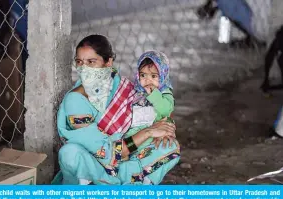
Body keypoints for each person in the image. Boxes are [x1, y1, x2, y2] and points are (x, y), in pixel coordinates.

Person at [52, 35, 180, 185]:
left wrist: (166, 127)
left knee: (168, 146)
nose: (84, 68)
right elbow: (104, 152)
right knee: (70, 153)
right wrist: (149, 132)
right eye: (79, 62)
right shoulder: (75, 101)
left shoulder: (117, 84)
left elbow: (151, 108)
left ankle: (135, 184)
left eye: (91, 62)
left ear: (108, 63)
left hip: (127, 160)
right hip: (97, 166)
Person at [125, 51, 175, 155]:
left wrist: (154, 94)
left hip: (152, 135)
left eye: (153, 76)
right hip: (134, 134)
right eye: (143, 75)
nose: (148, 80)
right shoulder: (136, 91)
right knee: (124, 146)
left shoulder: (165, 92)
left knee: (167, 149)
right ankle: (125, 158)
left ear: (163, 76)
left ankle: (140, 165)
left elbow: (166, 110)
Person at [197, 0, 270, 48]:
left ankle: (253, 40)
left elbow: (224, 38)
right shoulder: (223, 5)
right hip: (257, 25)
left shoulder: (224, 7)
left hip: (256, 31)